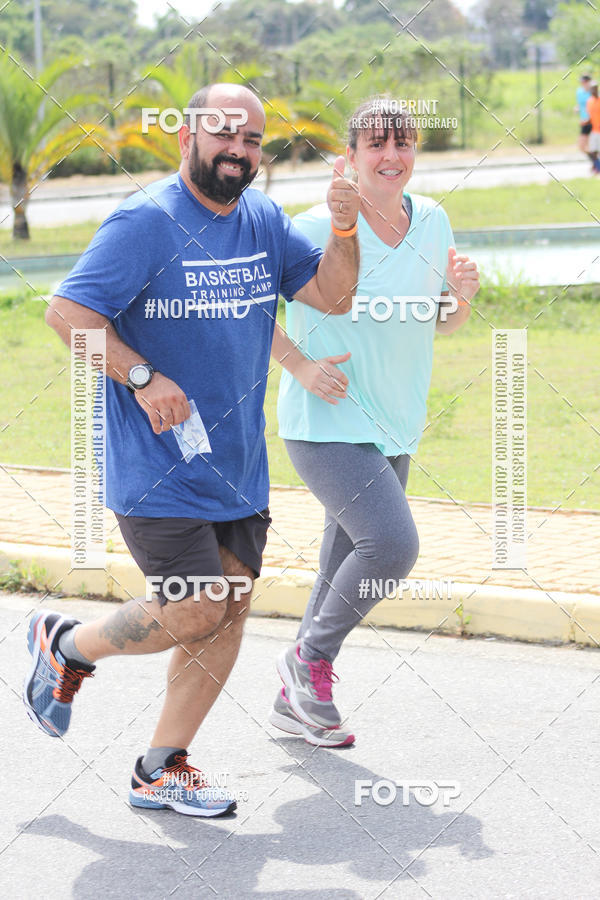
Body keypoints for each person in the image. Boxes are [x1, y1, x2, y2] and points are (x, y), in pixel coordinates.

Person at [24, 82, 360, 816]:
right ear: (188, 137)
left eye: (252, 139)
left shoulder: (263, 220)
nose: (239, 150)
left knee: (228, 611)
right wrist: (142, 377)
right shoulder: (145, 221)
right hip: (157, 467)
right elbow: (67, 314)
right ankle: (69, 645)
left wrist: (344, 227)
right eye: (224, 133)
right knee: (198, 605)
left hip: (237, 466)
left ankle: (161, 766)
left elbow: (333, 297)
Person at [269, 97, 479, 744]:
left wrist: (461, 299)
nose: (392, 155)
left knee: (346, 558)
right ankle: (309, 661)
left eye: (403, 142)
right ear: (351, 156)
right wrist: (300, 365)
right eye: (377, 144)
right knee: (391, 546)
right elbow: (247, 308)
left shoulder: (433, 220)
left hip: (395, 421)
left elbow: (437, 322)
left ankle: (291, 703)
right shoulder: (314, 226)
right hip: (325, 421)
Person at [575, 74, 594, 168]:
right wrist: (577, 108)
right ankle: (596, 163)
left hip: (594, 122)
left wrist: (588, 119)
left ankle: (596, 165)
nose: (583, 84)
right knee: (582, 146)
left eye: (585, 82)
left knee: (593, 146)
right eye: (582, 82)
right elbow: (580, 104)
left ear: (590, 82)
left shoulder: (594, 92)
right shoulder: (579, 92)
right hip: (584, 122)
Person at [585, 82, 600, 174]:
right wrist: (586, 122)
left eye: (594, 88)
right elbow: (591, 116)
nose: (593, 90)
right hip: (594, 130)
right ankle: (598, 167)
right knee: (593, 151)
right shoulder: (589, 101)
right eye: (591, 89)